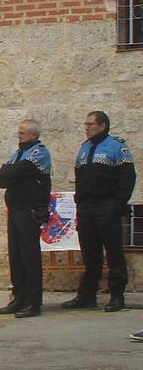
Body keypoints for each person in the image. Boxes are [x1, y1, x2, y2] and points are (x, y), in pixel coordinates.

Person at [62, 111, 136, 312]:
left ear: (102, 126)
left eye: (90, 124)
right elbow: (80, 178)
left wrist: (118, 204)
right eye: (85, 124)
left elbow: (128, 178)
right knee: (90, 253)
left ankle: (117, 295)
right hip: (87, 208)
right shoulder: (84, 148)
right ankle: (87, 296)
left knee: (114, 253)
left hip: (107, 206)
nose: (86, 127)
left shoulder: (117, 146)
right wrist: (79, 202)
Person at [0, 119, 52, 318]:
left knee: (29, 257)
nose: (18, 136)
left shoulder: (39, 152)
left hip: (29, 209)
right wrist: (10, 173)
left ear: (33, 136)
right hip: (15, 208)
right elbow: (1, 178)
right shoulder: (18, 153)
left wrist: (11, 173)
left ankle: (33, 302)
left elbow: (19, 171)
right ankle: (18, 297)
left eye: (22, 133)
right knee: (16, 255)